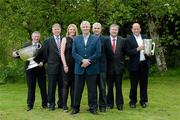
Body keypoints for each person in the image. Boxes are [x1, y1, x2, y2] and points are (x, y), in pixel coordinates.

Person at [71, 21, 101, 115]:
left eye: (87, 26)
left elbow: (98, 53)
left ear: (90, 27)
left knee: (92, 90)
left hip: (92, 68)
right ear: (81, 28)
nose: (85, 28)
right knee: (77, 90)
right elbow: (74, 53)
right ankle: (75, 108)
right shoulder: (76, 39)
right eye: (83, 27)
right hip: (79, 68)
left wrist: (88, 61)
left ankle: (93, 108)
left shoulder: (96, 39)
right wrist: (82, 61)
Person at [12, 31, 47, 111]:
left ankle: (45, 104)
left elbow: (45, 57)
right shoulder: (27, 45)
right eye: (35, 36)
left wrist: (42, 62)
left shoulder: (42, 46)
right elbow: (22, 55)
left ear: (39, 37)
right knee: (31, 87)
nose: (36, 38)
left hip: (40, 69)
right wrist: (15, 55)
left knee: (43, 87)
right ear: (32, 37)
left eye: (38, 36)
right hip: (30, 70)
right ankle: (30, 105)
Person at [126, 23, 150, 108]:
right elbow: (128, 52)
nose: (136, 30)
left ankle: (143, 101)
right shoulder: (128, 39)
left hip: (144, 63)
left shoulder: (145, 37)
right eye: (134, 29)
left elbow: (149, 49)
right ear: (132, 30)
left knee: (144, 84)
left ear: (140, 29)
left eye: (137, 28)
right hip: (134, 65)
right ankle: (133, 101)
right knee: (134, 85)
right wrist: (137, 49)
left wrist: (150, 52)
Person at [105, 24, 126, 111]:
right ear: (109, 31)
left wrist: (122, 63)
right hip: (108, 68)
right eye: (112, 30)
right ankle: (110, 103)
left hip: (118, 68)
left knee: (119, 87)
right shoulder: (105, 40)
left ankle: (119, 104)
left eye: (116, 30)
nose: (114, 31)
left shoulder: (122, 40)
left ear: (118, 31)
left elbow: (124, 53)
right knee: (109, 87)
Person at [43, 23, 63, 110]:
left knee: (62, 86)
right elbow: (45, 55)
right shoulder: (48, 41)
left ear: (60, 30)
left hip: (62, 67)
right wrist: (50, 62)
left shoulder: (64, 39)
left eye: (58, 29)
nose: (57, 30)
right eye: (55, 29)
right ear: (52, 30)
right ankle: (51, 104)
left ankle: (61, 103)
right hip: (52, 67)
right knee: (51, 86)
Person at [60, 24, 78, 112]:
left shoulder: (78, 39)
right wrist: (65, 65)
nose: (72, 30)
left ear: (75, 30)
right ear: (68, 30)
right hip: (67, 65)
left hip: (76, 65)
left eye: (73, 29)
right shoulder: (65, 39)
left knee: (74, 86)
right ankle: (64, 105)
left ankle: (73, 105)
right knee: (66, 85)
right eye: (70, 29)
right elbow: (62, 53)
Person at [92, 22, 107, 112]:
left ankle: (102, 106)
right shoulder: (89, 38)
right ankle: (93, 105)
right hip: (92, 67)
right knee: (92, 89)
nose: (96, 30)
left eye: (98, 28)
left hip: (102, 67)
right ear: (92, 29)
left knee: (102, 88)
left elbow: (108, 54)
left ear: (101, 29)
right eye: (95, 28)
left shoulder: (105, 39)